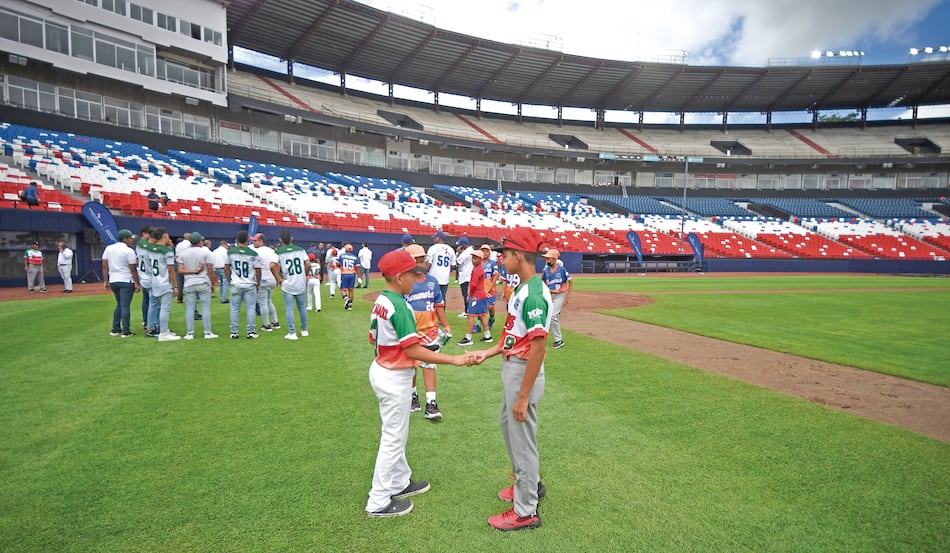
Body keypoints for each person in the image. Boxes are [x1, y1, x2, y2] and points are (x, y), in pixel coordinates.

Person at [364, 249, 473, 518]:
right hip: (393, 376)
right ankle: (378, 501)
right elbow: (412, 350)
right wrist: (454, 359)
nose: (417, 279)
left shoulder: (383, 300)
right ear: (400, 277)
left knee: (396, 432)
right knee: (393, 438)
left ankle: (400, 482)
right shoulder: (400, 305)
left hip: (383, 368)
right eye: (413, 274)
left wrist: (421, 346)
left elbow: (376, 339)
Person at [468, 227, 552, 531]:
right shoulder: (522, 289)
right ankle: (528, 484)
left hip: (522, 372)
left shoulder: (533, 295)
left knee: (522, 440)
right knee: (509, 428)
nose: (501, 259)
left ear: (518, 255)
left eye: (504, 254)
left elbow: (538, 348)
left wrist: (523, 395)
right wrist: (488, 352)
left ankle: (526, 510)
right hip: (513, 365)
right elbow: (514, 336)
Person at [403, 244, 452, 420]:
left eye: (421, 260)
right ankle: (412, 395)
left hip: (430, 330)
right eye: (415, 260)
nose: (419, 263)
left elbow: (439, 305)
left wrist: (446, 325)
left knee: (429, 365)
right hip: (410, 331)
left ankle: (431, 403)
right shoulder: (404, 282)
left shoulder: (432, 281)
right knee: (411, 366)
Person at [142, 227, 181, 342]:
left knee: (156, 306)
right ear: (164, 236)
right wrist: (175, 286)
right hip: (164, 282)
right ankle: (163, 333)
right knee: (165, 308)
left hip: (155, 281)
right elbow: (170, 269)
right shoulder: (167, 251)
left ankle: (162, 329)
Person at [101, 229, 141, 338]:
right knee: (125, 306)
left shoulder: (109, 248)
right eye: (130, 238)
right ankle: (126, 331)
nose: (131, 240)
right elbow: (133, 269)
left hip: (113, 280)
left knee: (119, 304)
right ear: (125, 239)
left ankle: (115, 329)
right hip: (126, 280)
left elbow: (104, 266)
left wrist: (106, 281)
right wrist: (137, 283)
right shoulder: (129, 251)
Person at [178, 232, 218, 340]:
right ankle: (207, 332)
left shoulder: (183, 253)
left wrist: (193, 271)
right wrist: (213, 282)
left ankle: (190, 333)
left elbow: (180, 270)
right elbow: (210, 269)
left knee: (190, 308)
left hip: (189, 283)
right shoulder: (205, 252)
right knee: (205, 308)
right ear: (200, 241)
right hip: (202, 281)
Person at [274, 230, 310, 340]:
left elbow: (272, 265)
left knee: (289, 308)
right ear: (291, 238)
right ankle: (304, 330)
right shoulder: (300, 250)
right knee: (302, 307)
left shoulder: (279, 252)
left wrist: (278, 279)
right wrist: (304, 275)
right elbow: (308, 264)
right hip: (300, 281)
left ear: (280, 240)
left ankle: (292, 332)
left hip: (288, 282)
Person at [226, 230, 261, 339]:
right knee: (250, 308)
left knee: (234, 309)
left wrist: (229, 281)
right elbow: (258, 269)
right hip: (249, 283)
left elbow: (226, 267)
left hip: (236, 283)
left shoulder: (230, 252)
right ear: (247, 240)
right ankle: (250, 331)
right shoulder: (253, 253)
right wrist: (258, 283)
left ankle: (234, 332)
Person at [456, 248, 492, 346]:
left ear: (480, 259)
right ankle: (487, 336)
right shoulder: (479, 268)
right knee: (482, 315)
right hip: (481, 295)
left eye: (475, 258)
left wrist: (469, 295)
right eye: (473, 258)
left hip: (476, 296)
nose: (473, 260)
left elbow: (473, 285)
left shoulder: (476, 270)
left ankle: (468, 338)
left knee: (470, 315)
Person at [540, 249, 572, 349]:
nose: (547, 260)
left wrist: (568, 296)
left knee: (553, 316)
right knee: (547, 315)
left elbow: (570, 281)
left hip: (559, 295)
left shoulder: (562, 269)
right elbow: (542, 282)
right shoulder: (546, 271)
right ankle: (541, 337)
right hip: (549, 295)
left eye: (548, 258)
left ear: (554, 259)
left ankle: (558, 340)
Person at [252, 233, 280, 331]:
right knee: (269, 301)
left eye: (255, 241)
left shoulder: (256, 252)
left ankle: (266, 324)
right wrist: (277, 278)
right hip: (271, 278)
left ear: (261, 241)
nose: (253, 242)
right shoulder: (272, 251)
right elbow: (275, 265)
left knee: (263, 302)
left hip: (262, 278)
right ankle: (275, 322)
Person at [426, 231, 456, 302]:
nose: (433, 239)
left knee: (431, 297)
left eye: (435, 238)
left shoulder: (432, 248)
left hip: (433, 277)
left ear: (439, 238)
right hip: (445, 278)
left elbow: (428, 264)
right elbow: (453, 265)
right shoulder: (450, 249)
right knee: (442, 298)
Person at [478, 244, 500, 332]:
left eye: (486, 251)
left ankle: (491, 318)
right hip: (480, 289)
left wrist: (490, 288)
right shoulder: (478, 263)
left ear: (489, 253)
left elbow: (495, 276)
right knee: (480, 306)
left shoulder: (493, 263)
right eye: (483, 251)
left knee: (490, 307)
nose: (485, 253)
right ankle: (478, 324)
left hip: (490, 289)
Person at [337, 244, 360, 310]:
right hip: (352, 274)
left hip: (344, 274)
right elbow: (357, 268)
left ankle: (346, 299)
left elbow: (337, 264)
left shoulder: (342, 256)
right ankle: (350, 305)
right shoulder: (355, 257)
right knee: (351, 290)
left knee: (343, 289)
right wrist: (358, 277)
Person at [456, 236, 474, 318]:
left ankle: (467, 311)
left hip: (465, 276)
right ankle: (468, 310)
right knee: (468, 295)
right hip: (468, 275)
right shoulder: (470, 250)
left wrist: (458, 253)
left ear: (463, 244)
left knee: (466, 295)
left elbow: (458, 262)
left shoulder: (466, 252)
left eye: (460, 245)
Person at [174, 233, 190, 304]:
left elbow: (176, 255)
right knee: (189, 281)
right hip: (187, 264)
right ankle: (190, 298)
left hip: (178, 263)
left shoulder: (179, 245)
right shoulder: (189, 244)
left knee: (180, 282)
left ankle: (179, 299)